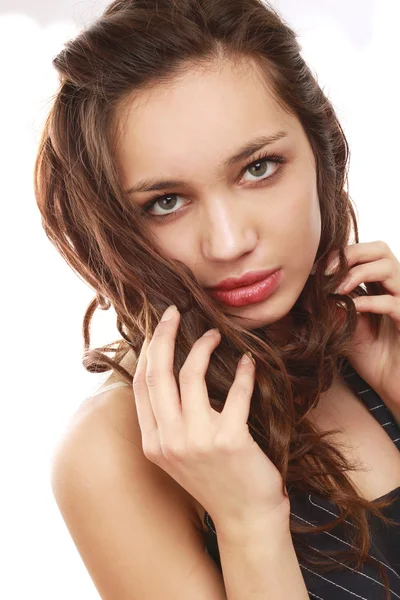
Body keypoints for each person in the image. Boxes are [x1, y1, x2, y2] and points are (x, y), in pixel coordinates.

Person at [35, 0, 400, 598]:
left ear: (323, 151)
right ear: (112, 224)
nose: (230, 243)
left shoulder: (369, 336)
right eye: (165, 202)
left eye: (259, 167)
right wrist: (249, 524)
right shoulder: (113, 450)